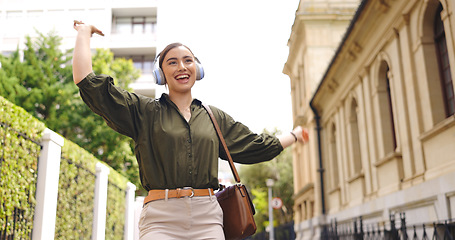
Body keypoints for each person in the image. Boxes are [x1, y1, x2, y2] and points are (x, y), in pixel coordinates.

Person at [72, 21, 309, 240]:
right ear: (160, 74)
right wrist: (84, 33)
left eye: (187, 60)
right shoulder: (144, 112)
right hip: (160, 219)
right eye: (172, 62)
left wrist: (295, 135)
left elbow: (257, 146)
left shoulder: (213, 117)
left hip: (207, 217)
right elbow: (89, 84)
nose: (181, 67)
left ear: (197, 68)